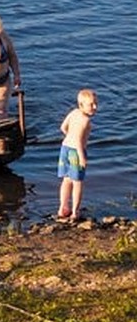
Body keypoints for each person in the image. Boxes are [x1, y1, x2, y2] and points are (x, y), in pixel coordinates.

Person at [58, 88, 98, 222]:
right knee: (77, 182)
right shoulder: (85, 121)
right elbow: (79, 142)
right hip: (76, 151)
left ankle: (63, 208)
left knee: (66, 179)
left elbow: (63, 128)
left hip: (65, 148)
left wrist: (70, 135)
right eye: (91, 104)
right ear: (81, 105)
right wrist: (82, 157)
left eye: (95, 103)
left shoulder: (74, 112)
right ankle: (75, 211)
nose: (95, 107)